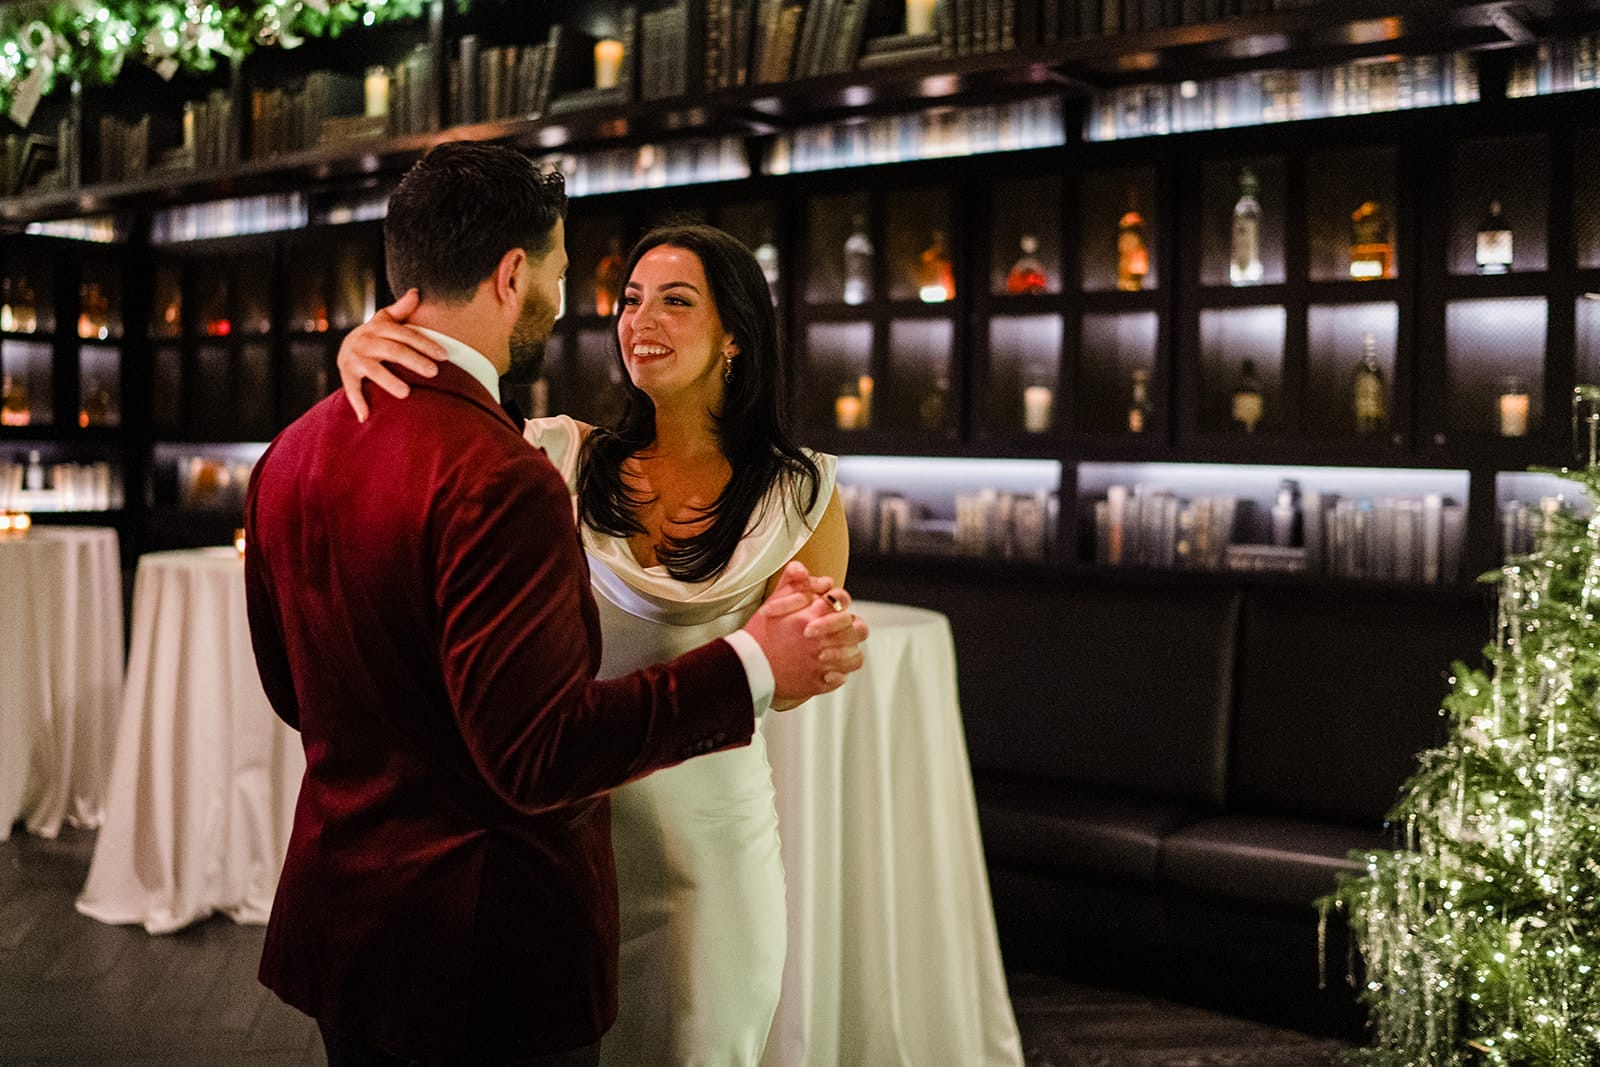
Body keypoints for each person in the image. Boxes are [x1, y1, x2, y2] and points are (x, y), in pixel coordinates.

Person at [244, 143, 867, 1067]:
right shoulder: (534, 465)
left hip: (404, 908)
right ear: (510, 274)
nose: (620, 314)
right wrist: (752, 665)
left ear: (738, 331)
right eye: (590, 283)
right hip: (502, 905)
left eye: (675, 298)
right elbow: (535, 752)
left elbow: (294, 690)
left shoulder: (290, 451)